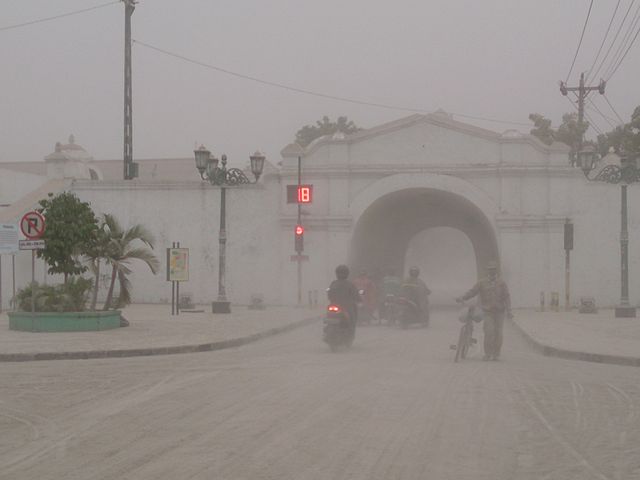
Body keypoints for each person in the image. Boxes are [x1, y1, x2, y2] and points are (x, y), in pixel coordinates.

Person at [456, 261, 512, 361]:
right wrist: (463, 297)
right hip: (487, 312)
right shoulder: (481, 283)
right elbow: (472, 292)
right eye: (490, 270)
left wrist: (509, 310)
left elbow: (506, 297)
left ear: (496, 271)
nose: (492, 272)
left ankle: (496, 354)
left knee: (498, 333)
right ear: (487, 271)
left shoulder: (502, 283)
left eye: (493, 270)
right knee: (489, 332)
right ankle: (488, 353)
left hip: (499, 312)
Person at [327, 264, 361, 335]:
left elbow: (329, 294)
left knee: (328, 315)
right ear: (347, 274)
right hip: (347, 307)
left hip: (334, 305)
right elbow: (356, 295)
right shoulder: (350, 284)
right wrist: (359, 299)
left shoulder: (333, 283)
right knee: (352, 319)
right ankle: (350, 332)